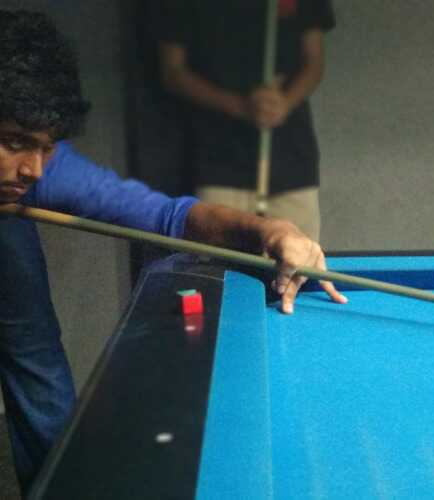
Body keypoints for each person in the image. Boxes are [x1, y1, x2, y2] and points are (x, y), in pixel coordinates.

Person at [0, 9, 346, 497]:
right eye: (15, 143)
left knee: (35, 357)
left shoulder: (38, 175)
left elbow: (165, 215)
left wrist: (268, 231)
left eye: (47, 147)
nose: (34, 170)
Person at [158, 0, 335, 242]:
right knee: (218, 263)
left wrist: (283, 104)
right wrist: (240, 106)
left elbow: (314, 62)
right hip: (217, 159)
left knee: (298, 260)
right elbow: (173, 72)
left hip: (290, 158)